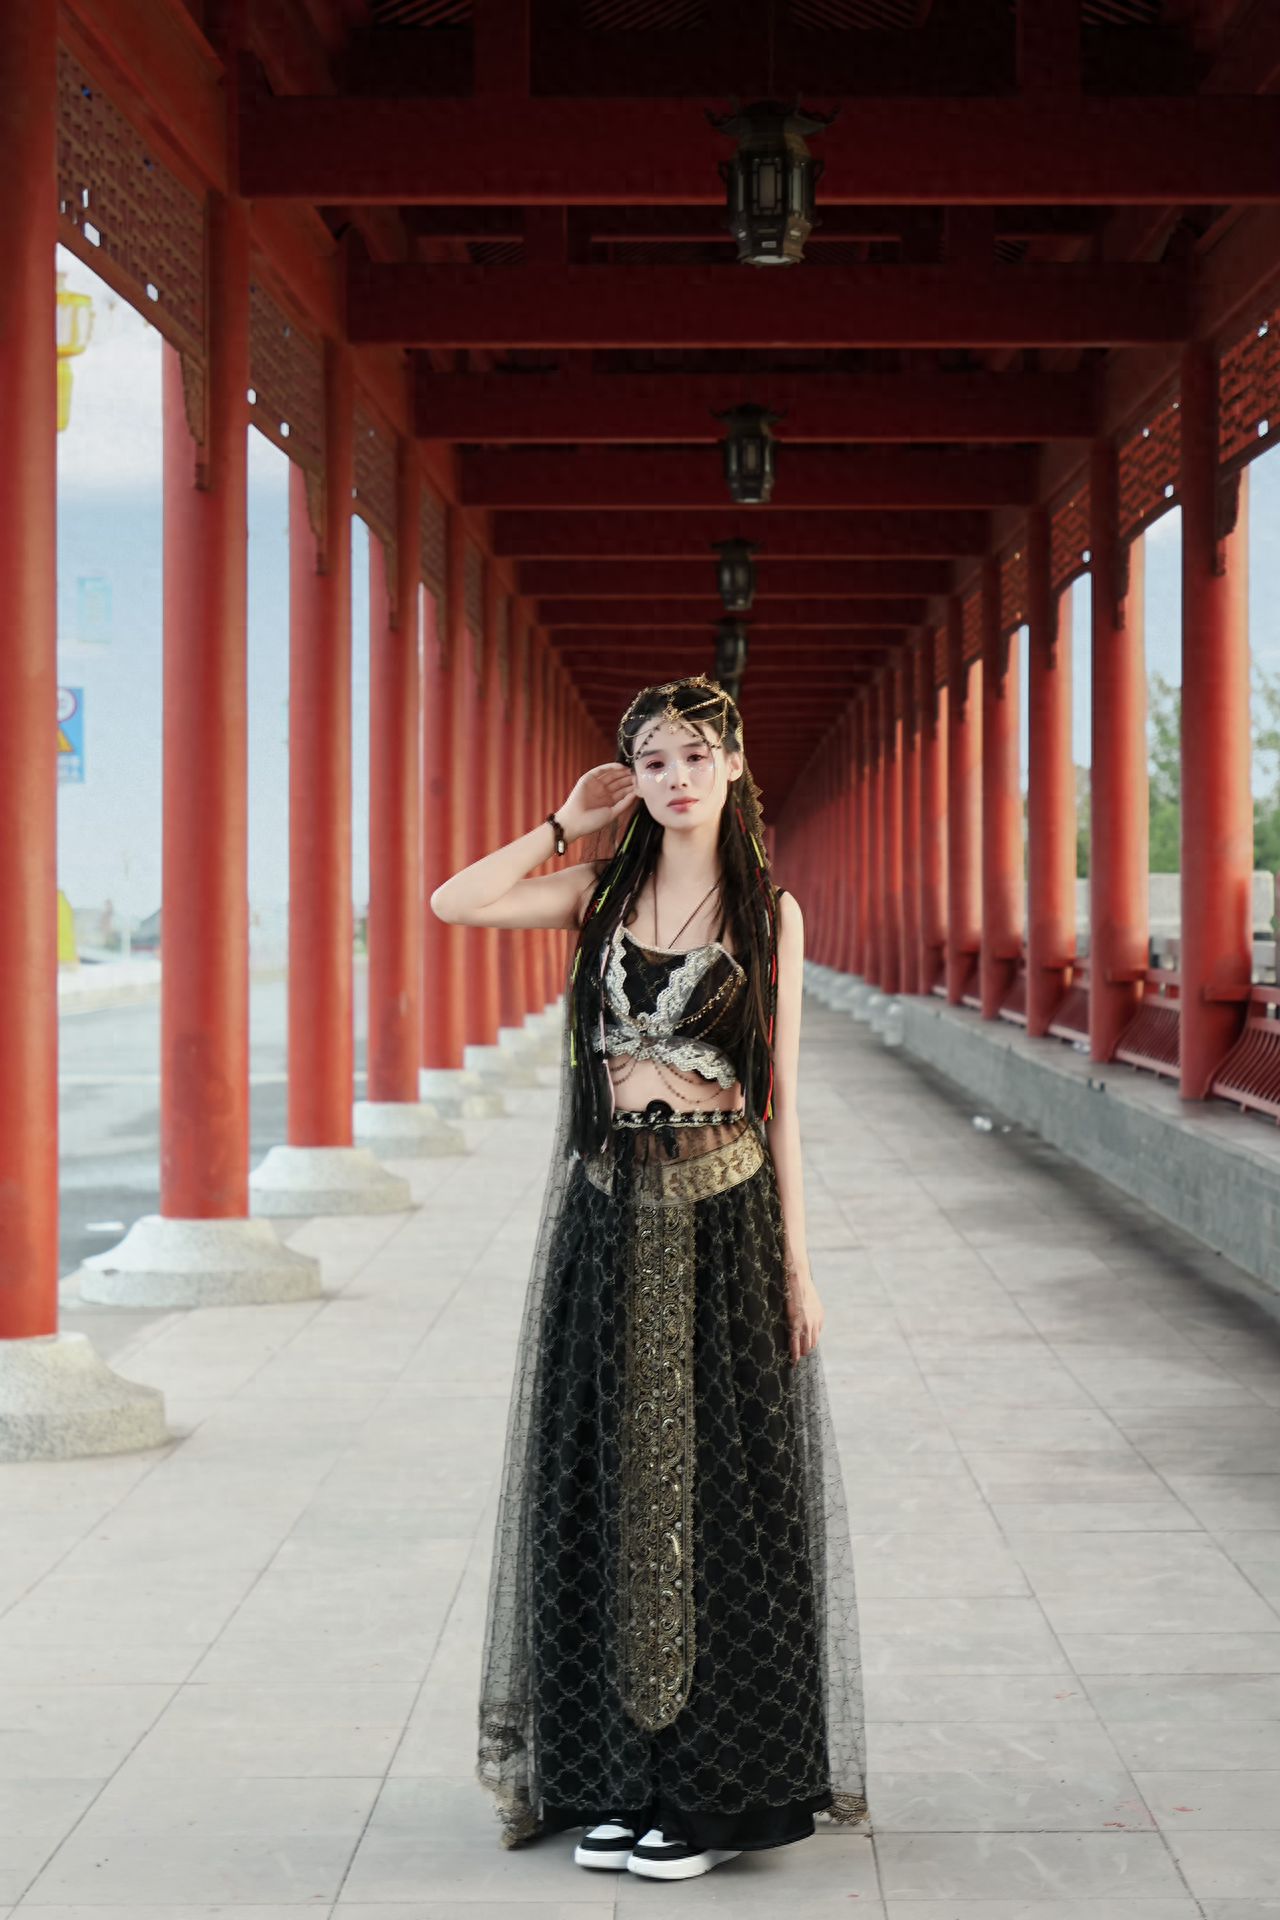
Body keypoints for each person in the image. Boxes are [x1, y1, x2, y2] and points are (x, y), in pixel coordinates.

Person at [431, 674, 866, 1883]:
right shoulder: (598, 893)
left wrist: (798, 1265)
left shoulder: (766, 914)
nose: (675, 778)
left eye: (694, 756)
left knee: (711, 1493)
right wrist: (566, 821)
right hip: (605, 1210)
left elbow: (780, 1102)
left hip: (723, 1210)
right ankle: (615, 1777)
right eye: (654, 759)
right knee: (601, 1482)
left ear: (733, 768)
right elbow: (453, 903)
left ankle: (708, 1792)